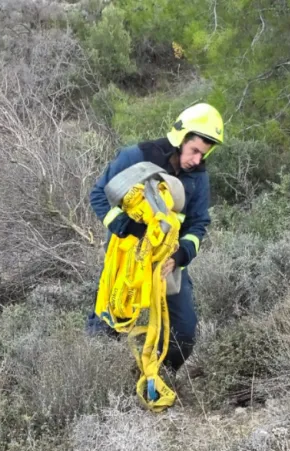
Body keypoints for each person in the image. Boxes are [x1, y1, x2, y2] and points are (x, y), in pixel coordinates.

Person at [85, 103, 224, 374]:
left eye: (204, 154)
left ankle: (158, 377)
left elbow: (198, 224)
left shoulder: (199, 177)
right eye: (195, 150)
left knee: (183, 333)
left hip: (167, 262)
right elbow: (99, 195)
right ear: (180, 138)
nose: (197, 160)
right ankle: (100, 383)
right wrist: (127, 228)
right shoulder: (137, 156)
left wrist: (180, 256)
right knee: (108, 323)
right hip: (127, 260)